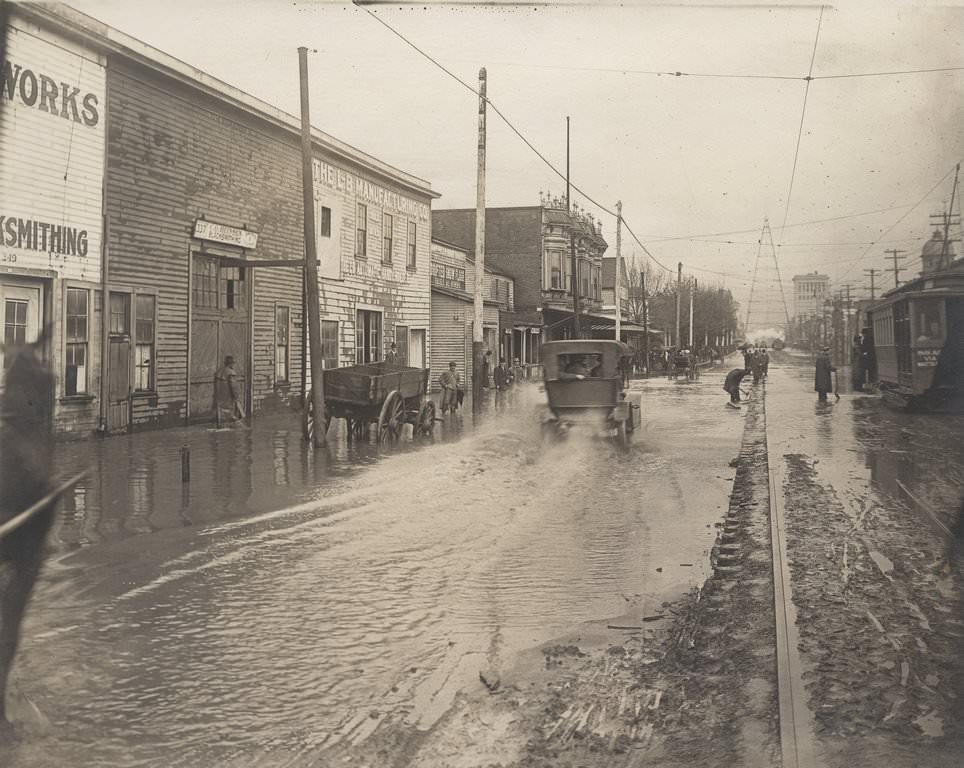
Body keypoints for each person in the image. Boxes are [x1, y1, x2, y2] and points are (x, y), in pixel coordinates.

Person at [214, 355, 243, 426]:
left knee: (221, 411)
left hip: (219, 395)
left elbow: (217, 385)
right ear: (231, 363)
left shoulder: (220, 371)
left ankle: (220, 425)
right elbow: (233, 386)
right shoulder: (231, 372)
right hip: (228, 395)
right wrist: (236, 396)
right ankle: (231, 426)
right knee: (231, 412)